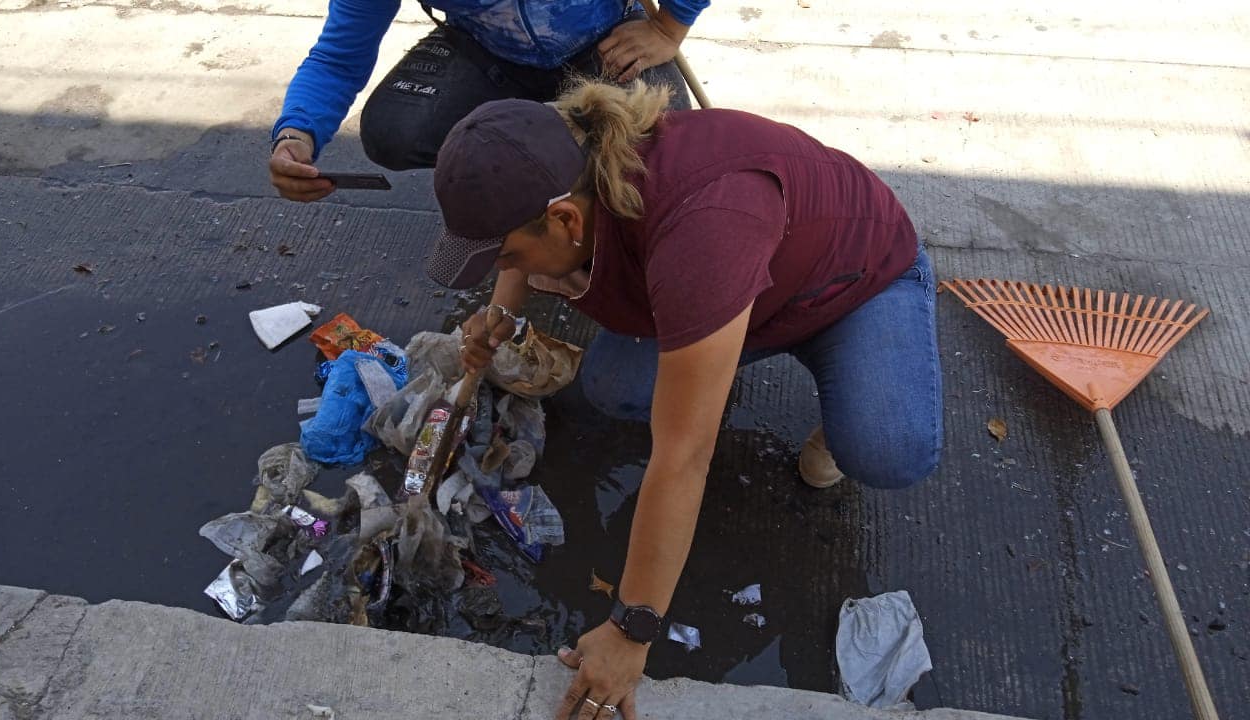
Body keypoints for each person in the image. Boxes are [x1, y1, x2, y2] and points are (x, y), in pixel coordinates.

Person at [427, 80, 943, 720]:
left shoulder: (704, 227)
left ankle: (836, 401)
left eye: (505, 257)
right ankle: (716, 347)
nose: (507, 266)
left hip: (854, 284)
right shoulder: (573, 167)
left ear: (567, 220)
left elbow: (683, 456)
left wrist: (630, 628)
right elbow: (519, 234)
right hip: (740, 289)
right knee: (617, 389)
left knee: (888, 447)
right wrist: (500, 311)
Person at [268, 0, 707, 202]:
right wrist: (297, 133)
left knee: (658, 163)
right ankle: (528, 195)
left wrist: (669, 27)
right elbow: (338, 58)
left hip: (605, 41)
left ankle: (573, 194)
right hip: (485, 50)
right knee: (394, 131)